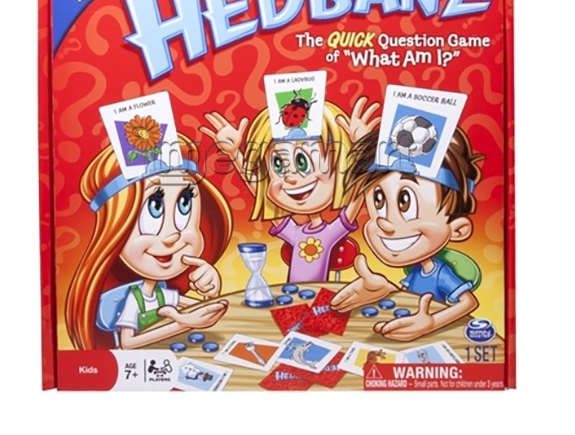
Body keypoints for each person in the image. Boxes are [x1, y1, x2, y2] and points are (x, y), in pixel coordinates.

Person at [65, 134, 232, 350]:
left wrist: (211, 293)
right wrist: (183, 323)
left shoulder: (161, 291)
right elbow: (128, 343)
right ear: (116, 229)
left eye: (184, 204)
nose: (172, 236)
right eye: (154, 209)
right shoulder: (134, 299)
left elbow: (199, 308)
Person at [201, 97, 379, 282]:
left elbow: (357, 193)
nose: (290, 178)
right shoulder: (294, 232)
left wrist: (363, 147)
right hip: (291, 293)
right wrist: (234, 154)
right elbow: (259, 190)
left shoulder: (331, 232)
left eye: (303, 163)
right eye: (277, 165)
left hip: (319, 295)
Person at [331, 124, 483, 341]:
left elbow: (469, 302)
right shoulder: (415, 271)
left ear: (458, 229)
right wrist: (384, 289)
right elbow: (408, 297)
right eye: (379, 201)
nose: (385, 223)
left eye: (405, 203)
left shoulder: (441, 273)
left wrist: (432, 323)